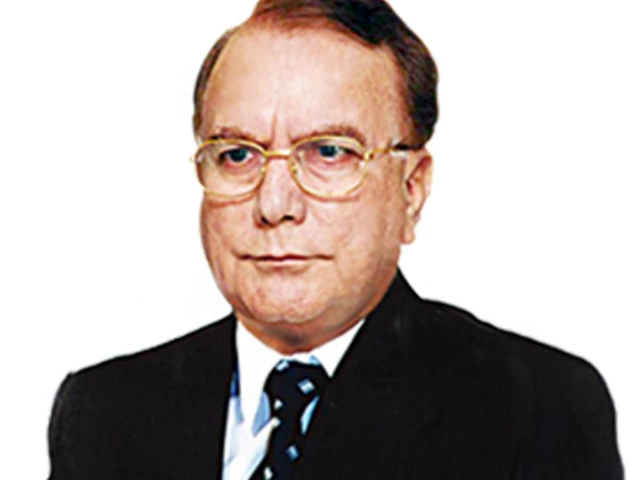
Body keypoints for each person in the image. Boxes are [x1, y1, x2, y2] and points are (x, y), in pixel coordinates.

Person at [46, 0, 624, 478]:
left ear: (412, 190)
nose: (274, 205)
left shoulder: (533, 409)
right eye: (238, 155)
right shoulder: (104, 413)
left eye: (329, 152)